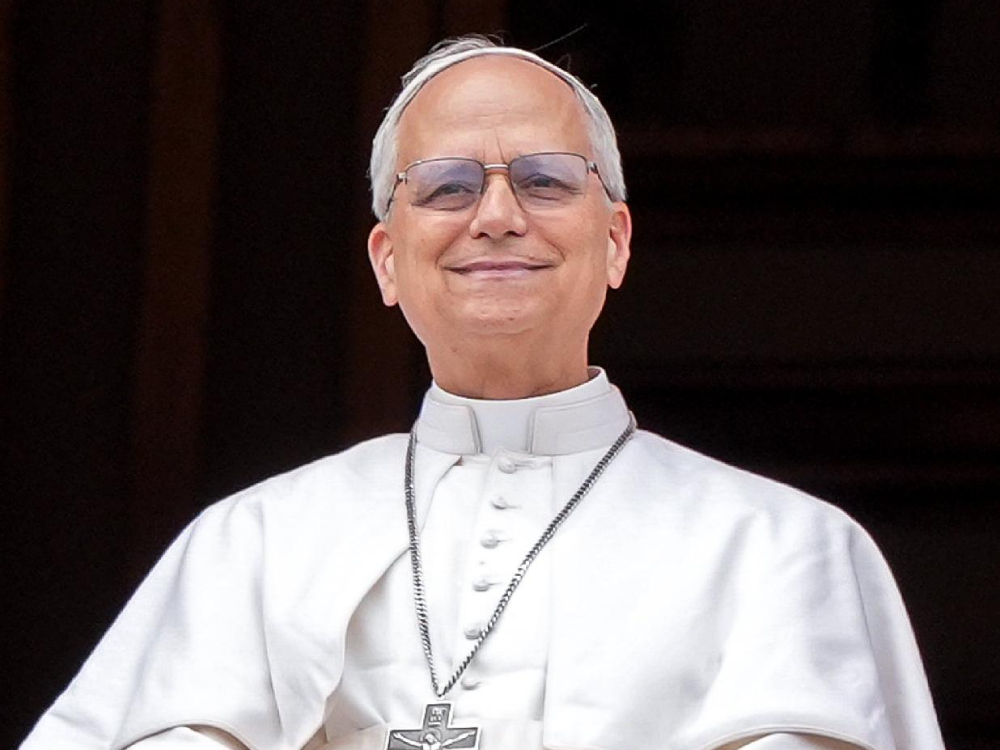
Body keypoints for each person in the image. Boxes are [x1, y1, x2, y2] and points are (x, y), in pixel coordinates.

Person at [21, 36, 945, 750]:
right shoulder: (249, 542)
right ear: (387, 260)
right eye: (447, 187)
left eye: (544, 180)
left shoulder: (787, 551)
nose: (497, 216)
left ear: (616, 241)